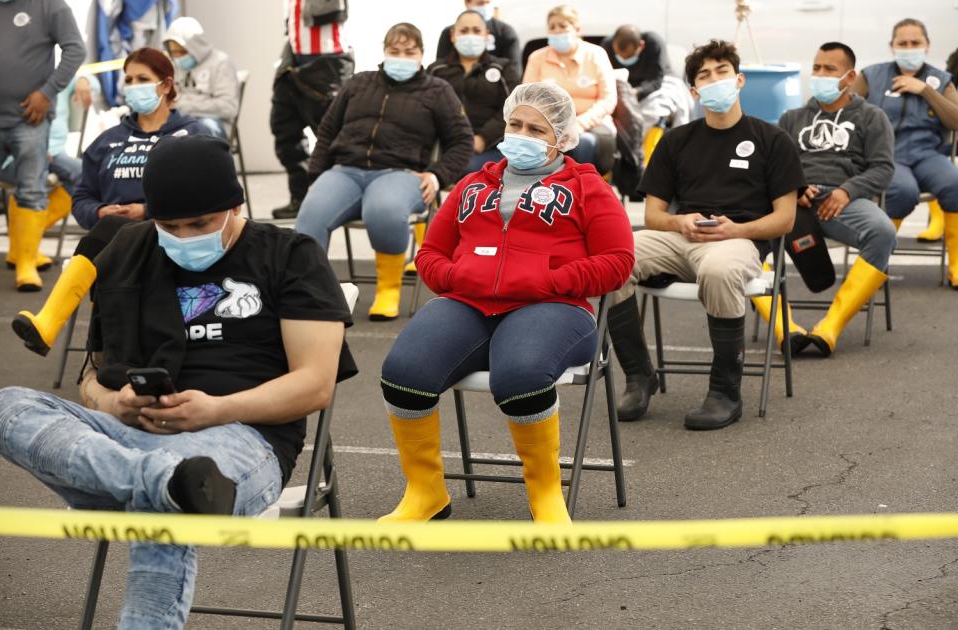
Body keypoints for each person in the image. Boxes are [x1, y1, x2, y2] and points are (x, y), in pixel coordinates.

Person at [0, 133, 355, 630]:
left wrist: (216, 409)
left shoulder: (290, 255)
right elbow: (91, 378)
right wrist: (111, 402)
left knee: (168, 497)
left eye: (201, 224)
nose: (185, 237)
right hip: (138, 440)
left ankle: (162, 485)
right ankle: (162, 483)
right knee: (8, 406)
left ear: (235, 206)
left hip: (241, 439)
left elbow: (315, 385)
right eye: (170, 226)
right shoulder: (127, 250)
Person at [378, 82, 634, 524]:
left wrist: (551, 280)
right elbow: (430, 253)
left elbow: (618, 261)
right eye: (515, 123)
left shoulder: (588, 188)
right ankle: (426, 492)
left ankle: (547, 496)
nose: (521, 134)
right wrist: (459, 276)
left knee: (521, 375)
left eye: (536, 129)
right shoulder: (473, 184)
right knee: (404, 372)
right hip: (470, 302)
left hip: (555, 307)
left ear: (561, 138)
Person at [607, 40, 803, 430]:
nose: (714, 81)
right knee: (613, 258)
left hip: (739, 240)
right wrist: (681, 222)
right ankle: (639, 375)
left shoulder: (772, 139)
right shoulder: (677, 140)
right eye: (704, 76)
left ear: (740, 79)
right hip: (683, 236)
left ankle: (725, 392)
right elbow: (653, 215)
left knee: (717, 270)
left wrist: (738, 229)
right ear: (694, 91)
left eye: (722, 72)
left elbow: (785, 220)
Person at [12, 48, 206, 358]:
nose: (134, 85)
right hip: (115, 247)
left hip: (173, 240)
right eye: (128, 79)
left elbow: (206, 194)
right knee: (112, 229)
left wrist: (147, 211)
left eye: (143, 79)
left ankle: (52, 326)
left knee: (114, 232)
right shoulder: (107, 141)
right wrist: (100, 210)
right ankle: (99, 351)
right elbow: (82, 198)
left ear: (166, 85)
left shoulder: (192, 135)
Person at [295, 22, 472, 321]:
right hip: (346, 170)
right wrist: (316, 176)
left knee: (384, 210)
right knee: (309, 218)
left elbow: (462, 141)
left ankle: (388, 290)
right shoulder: (358, 83)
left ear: (421, 54)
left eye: (409, 51)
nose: (401, 57)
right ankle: (310, 292)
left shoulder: (438, 90)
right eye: (394, 50)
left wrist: (437, 175)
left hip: (401, 173)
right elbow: (326, 131)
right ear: (384, 51)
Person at [761, 42, 896, 357]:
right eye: (817, 67)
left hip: (843, 200)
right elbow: (772, 167)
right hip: (794, 200)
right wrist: (793, 186)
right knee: (746, 235)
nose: (819, 74)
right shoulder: (791, 118)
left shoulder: (872, 117)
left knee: (883, 232)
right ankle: (785, 327)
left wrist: (847, 191)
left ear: (849, 77)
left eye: (829, 69)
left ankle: (830, 326)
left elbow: (883, 169)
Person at [854, 18, 958, 287]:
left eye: (916, 43)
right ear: (892, 46)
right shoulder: (872, 75)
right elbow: (846, 108)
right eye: (903, 43)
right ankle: (876, 263)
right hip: (886, 155)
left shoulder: (940, 80)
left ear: (927, 45)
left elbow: (956, 120)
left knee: (955, 183)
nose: (909, 48)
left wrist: (926, 91)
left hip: (928, 154)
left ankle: (956, 267)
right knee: (902, 191)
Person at [0, 0, 84, 291]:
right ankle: (23, 249)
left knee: (31, 188)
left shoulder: (49, 5)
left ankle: (25, 263)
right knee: (22, 186)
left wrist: (47, 93)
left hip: (30, 118)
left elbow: (76, 49)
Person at [0, 72, 98, 272]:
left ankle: (24, 242)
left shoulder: (58, 72)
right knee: (34, 179)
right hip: (18, 155)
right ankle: (25, 252)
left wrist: (84, 80)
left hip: (55, 150)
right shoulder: (14, 72)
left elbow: (92, 78)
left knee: (87, 175)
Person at [270, 0, 355, 219]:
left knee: (336, 140)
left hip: (328, 63)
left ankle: (342, 199)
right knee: (285, 133)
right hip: (294, 58)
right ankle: (300, 198)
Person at [522, 5, 617, 173]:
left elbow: (608, 99)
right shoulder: (537, 58)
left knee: (583, 143)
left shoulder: (596, 54)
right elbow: (527, 99)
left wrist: (580, 124)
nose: (557, 31)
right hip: (550, 124)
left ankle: (584, 187)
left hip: (592, 124)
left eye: (563, 26)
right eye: (552, 27)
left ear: (577, 29)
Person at [428, 9, 519, 173]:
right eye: (464, 31)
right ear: (452, 35)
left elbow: (513, 109)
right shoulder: (436, 70)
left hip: (491, 147)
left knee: (465, 168)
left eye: (477, 31)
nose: (470, 35)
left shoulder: (504, 68)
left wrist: (483, 138)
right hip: (445, 146)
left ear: (486, 35)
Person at [162, 16, 240, 139]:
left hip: (213, 122)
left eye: (182, 52)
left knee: (202, 128)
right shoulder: (173, 65)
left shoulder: (221, 62)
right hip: (180, 119)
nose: (177, 57)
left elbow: (228, 106)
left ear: (195, 46)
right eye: (173, 52)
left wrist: (183, 105)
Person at [435, 0, 521, 71]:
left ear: (486, 35)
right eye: (480, 3)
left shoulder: (506, 32)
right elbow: (439, 67)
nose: (485, 6)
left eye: (488, 3)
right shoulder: (448, 32)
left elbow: (514, 70)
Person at [602, 24, 672, 102]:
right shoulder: (607, 45)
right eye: (618, 55)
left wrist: (636, 92)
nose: (623, 60)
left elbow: (656, 79)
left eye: (629, 56)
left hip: (653, 84)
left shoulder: (654, 43)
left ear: (641, 45)